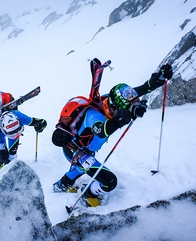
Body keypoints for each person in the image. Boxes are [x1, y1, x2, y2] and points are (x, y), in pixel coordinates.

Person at [51, 63, 173, 207]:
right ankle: (88, 192)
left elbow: (140, 90)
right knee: (109, 182)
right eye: (121, 110)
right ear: (115, 107)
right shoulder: (95, 117)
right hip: (76, 152)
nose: (120, 113)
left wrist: (157, 80)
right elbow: (102, 131)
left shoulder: (108, 99)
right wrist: (124, 116)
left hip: (81, 149)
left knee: (81, 168)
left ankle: (61, 185)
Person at [0, 91, 47, 174]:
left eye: (18, 129)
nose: (14, 135)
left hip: (6, 130)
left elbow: (42, 122)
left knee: (12, 158)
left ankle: (7, 172)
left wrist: (40, 126)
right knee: (3, 156)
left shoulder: (19, 116)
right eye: (12, 133)